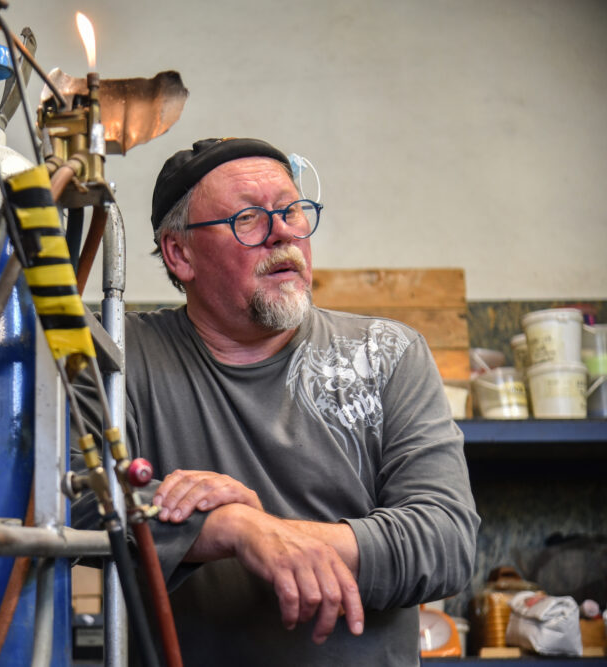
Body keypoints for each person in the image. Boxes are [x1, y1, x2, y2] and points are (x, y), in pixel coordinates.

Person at [74, 137, 479, 665]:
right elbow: (72, 499)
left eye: (291, 211)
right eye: (248, 218)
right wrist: (233, 527)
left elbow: (445, 540)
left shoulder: (385, 354)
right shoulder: (120, 357)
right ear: (180, 253)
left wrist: (270, 533)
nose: (283, 233)